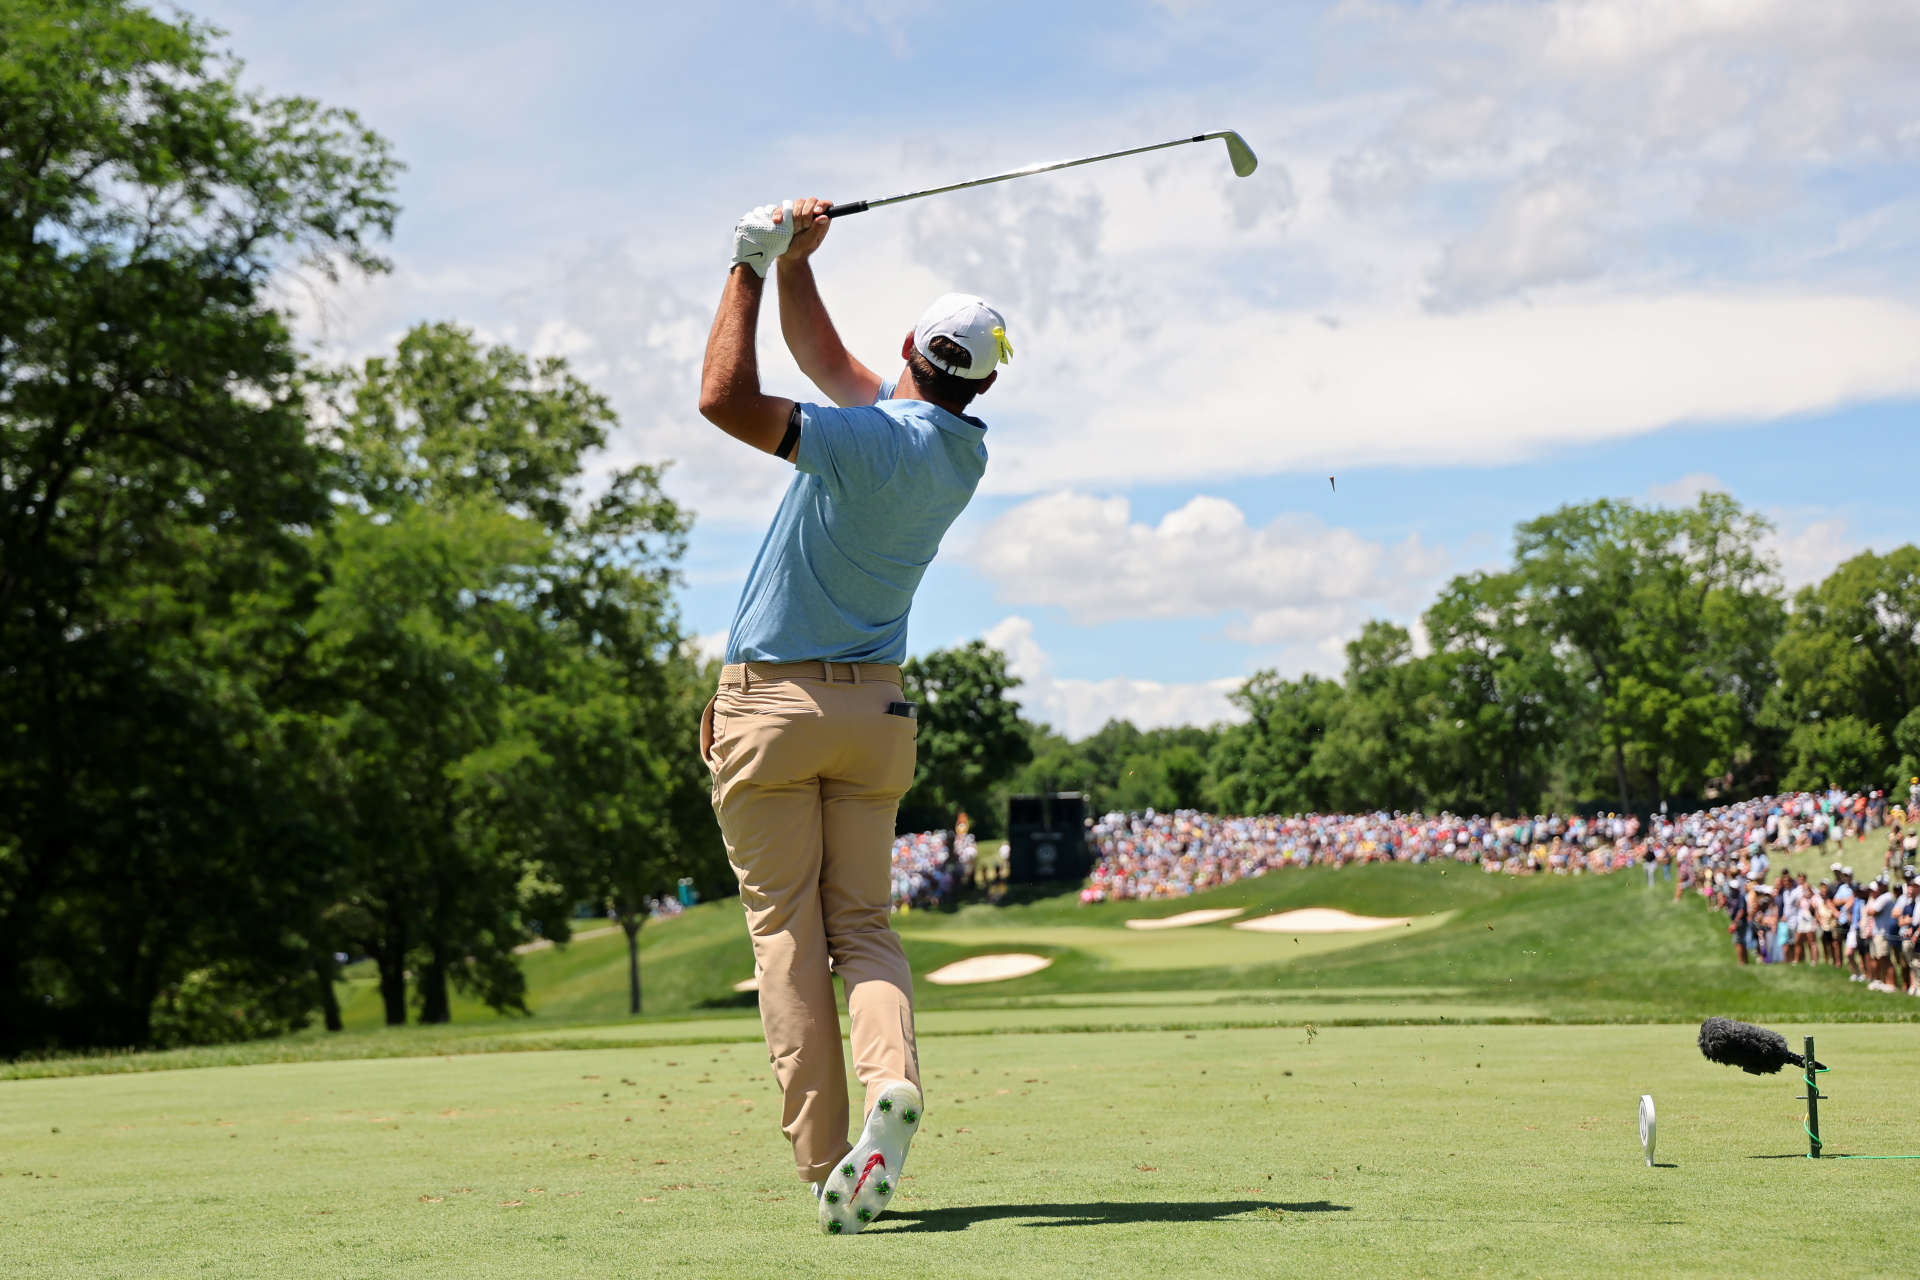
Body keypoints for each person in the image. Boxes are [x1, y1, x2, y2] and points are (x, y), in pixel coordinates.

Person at [696, 196, 1010, 1235]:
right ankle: (892, 1083)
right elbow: (827, 358)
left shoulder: (859, 440)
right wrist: (795, 264)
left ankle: (831, 1158)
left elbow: (723, 398)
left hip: (776, 709)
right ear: (984, 376)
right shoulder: (956, 450)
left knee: (785, 932)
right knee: (863, 928)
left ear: (911, 352)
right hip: (876, 715)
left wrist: (744, 262)